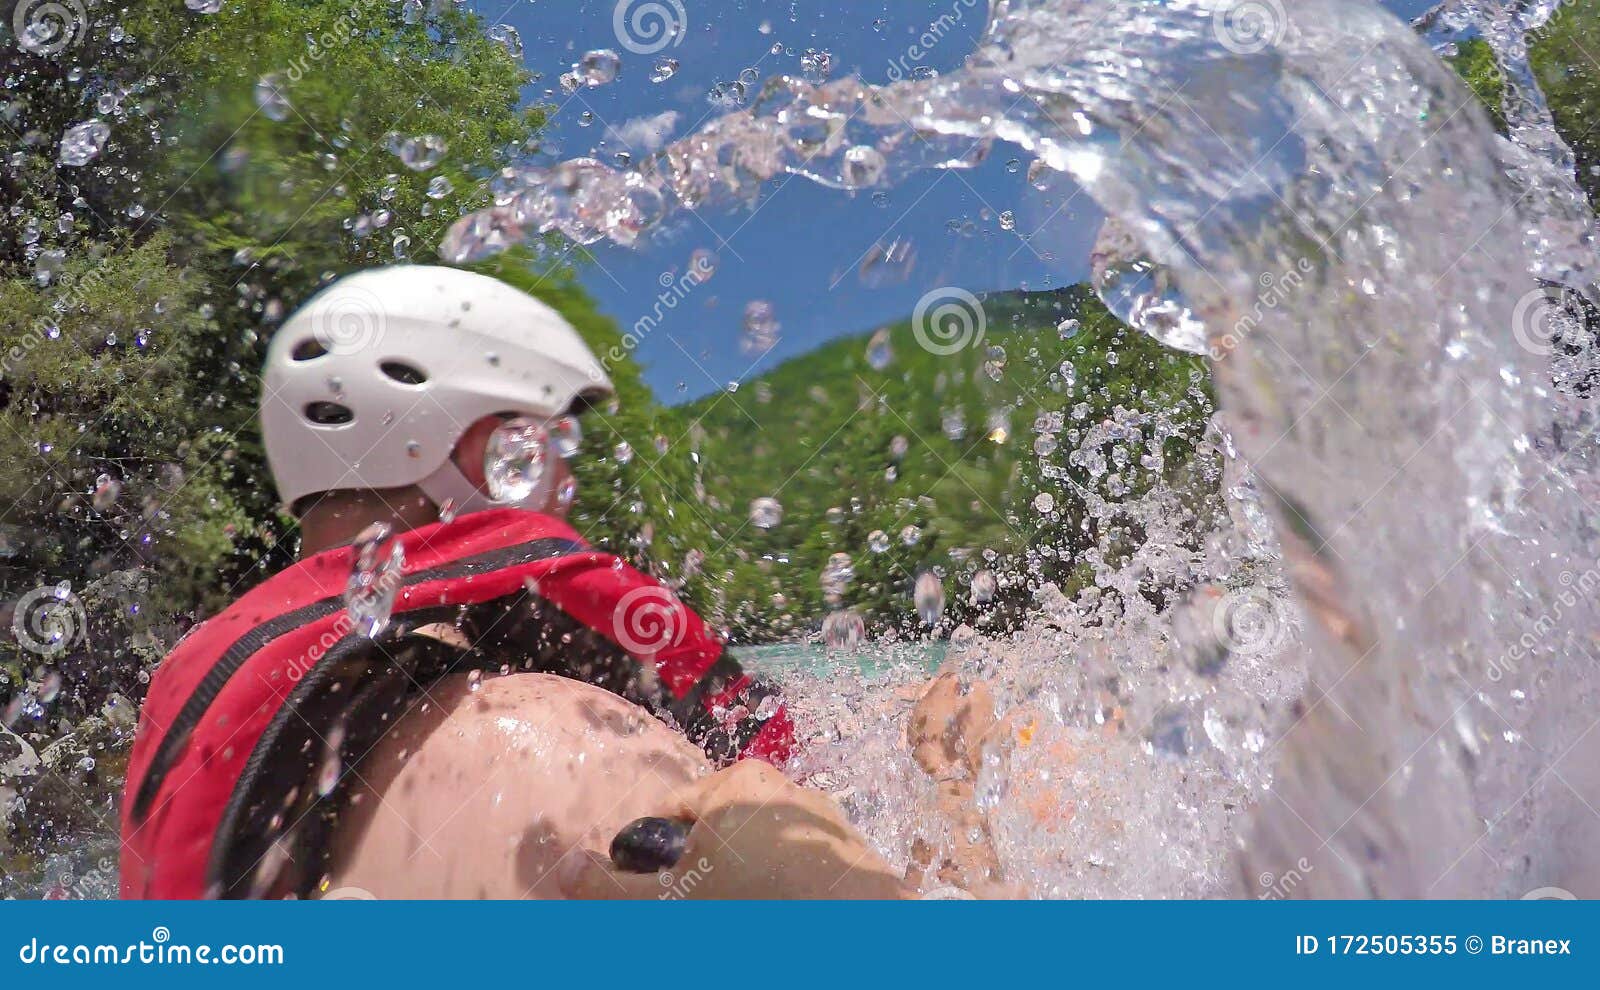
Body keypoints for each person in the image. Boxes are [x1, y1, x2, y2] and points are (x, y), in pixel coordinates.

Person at [117, 266, 799, 899]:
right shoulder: (564, 746)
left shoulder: (190, 696)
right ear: (495, 455)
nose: (574, 482)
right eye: (559, 445)